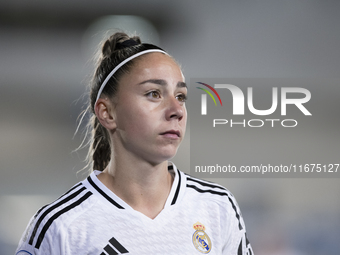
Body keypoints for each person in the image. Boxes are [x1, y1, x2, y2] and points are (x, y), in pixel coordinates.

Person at [16, 32, 254, 255]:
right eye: (154, 93)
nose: (176, 110)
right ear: (107, 113)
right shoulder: (61, 225)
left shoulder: (217, 207)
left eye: (180, 96)